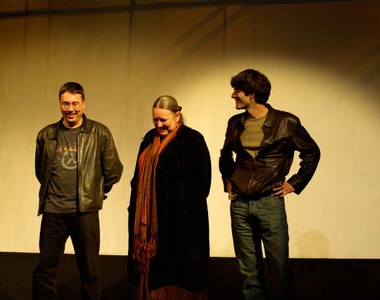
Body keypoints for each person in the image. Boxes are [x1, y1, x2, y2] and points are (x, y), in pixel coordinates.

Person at [219, 69, 320, 300]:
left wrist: (295, 183)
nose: (233, 95)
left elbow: (312, 152)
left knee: (278, 269)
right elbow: (226, 155)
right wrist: (229, 181)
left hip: (269, 203)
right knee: (248, 273)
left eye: (237, 91)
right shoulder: (235, 123)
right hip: (240, 205)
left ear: (252, 94)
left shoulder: (286, 122)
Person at [33, 81, 123, 300]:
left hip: (85, 212)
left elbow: (114, 171)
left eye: (75, 103)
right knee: (45, 269)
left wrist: (95, 193)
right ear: (59, 104)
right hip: (53, 211)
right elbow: (41, 172)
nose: (70, 108)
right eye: (65, 103)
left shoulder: (99, 133)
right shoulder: (47, 135)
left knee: (90, 272)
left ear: (83, 104)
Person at [128, 95, 211, 299]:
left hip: (182, 224)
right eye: (155, 119)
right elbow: (137, 178)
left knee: (180, 273)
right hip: (152, 227)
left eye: (163, 120)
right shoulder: (148, 139)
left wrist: (185, 210)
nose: (159, 124)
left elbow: (202, 182)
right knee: (156, 272)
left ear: (177, 115)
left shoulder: (192, 140)